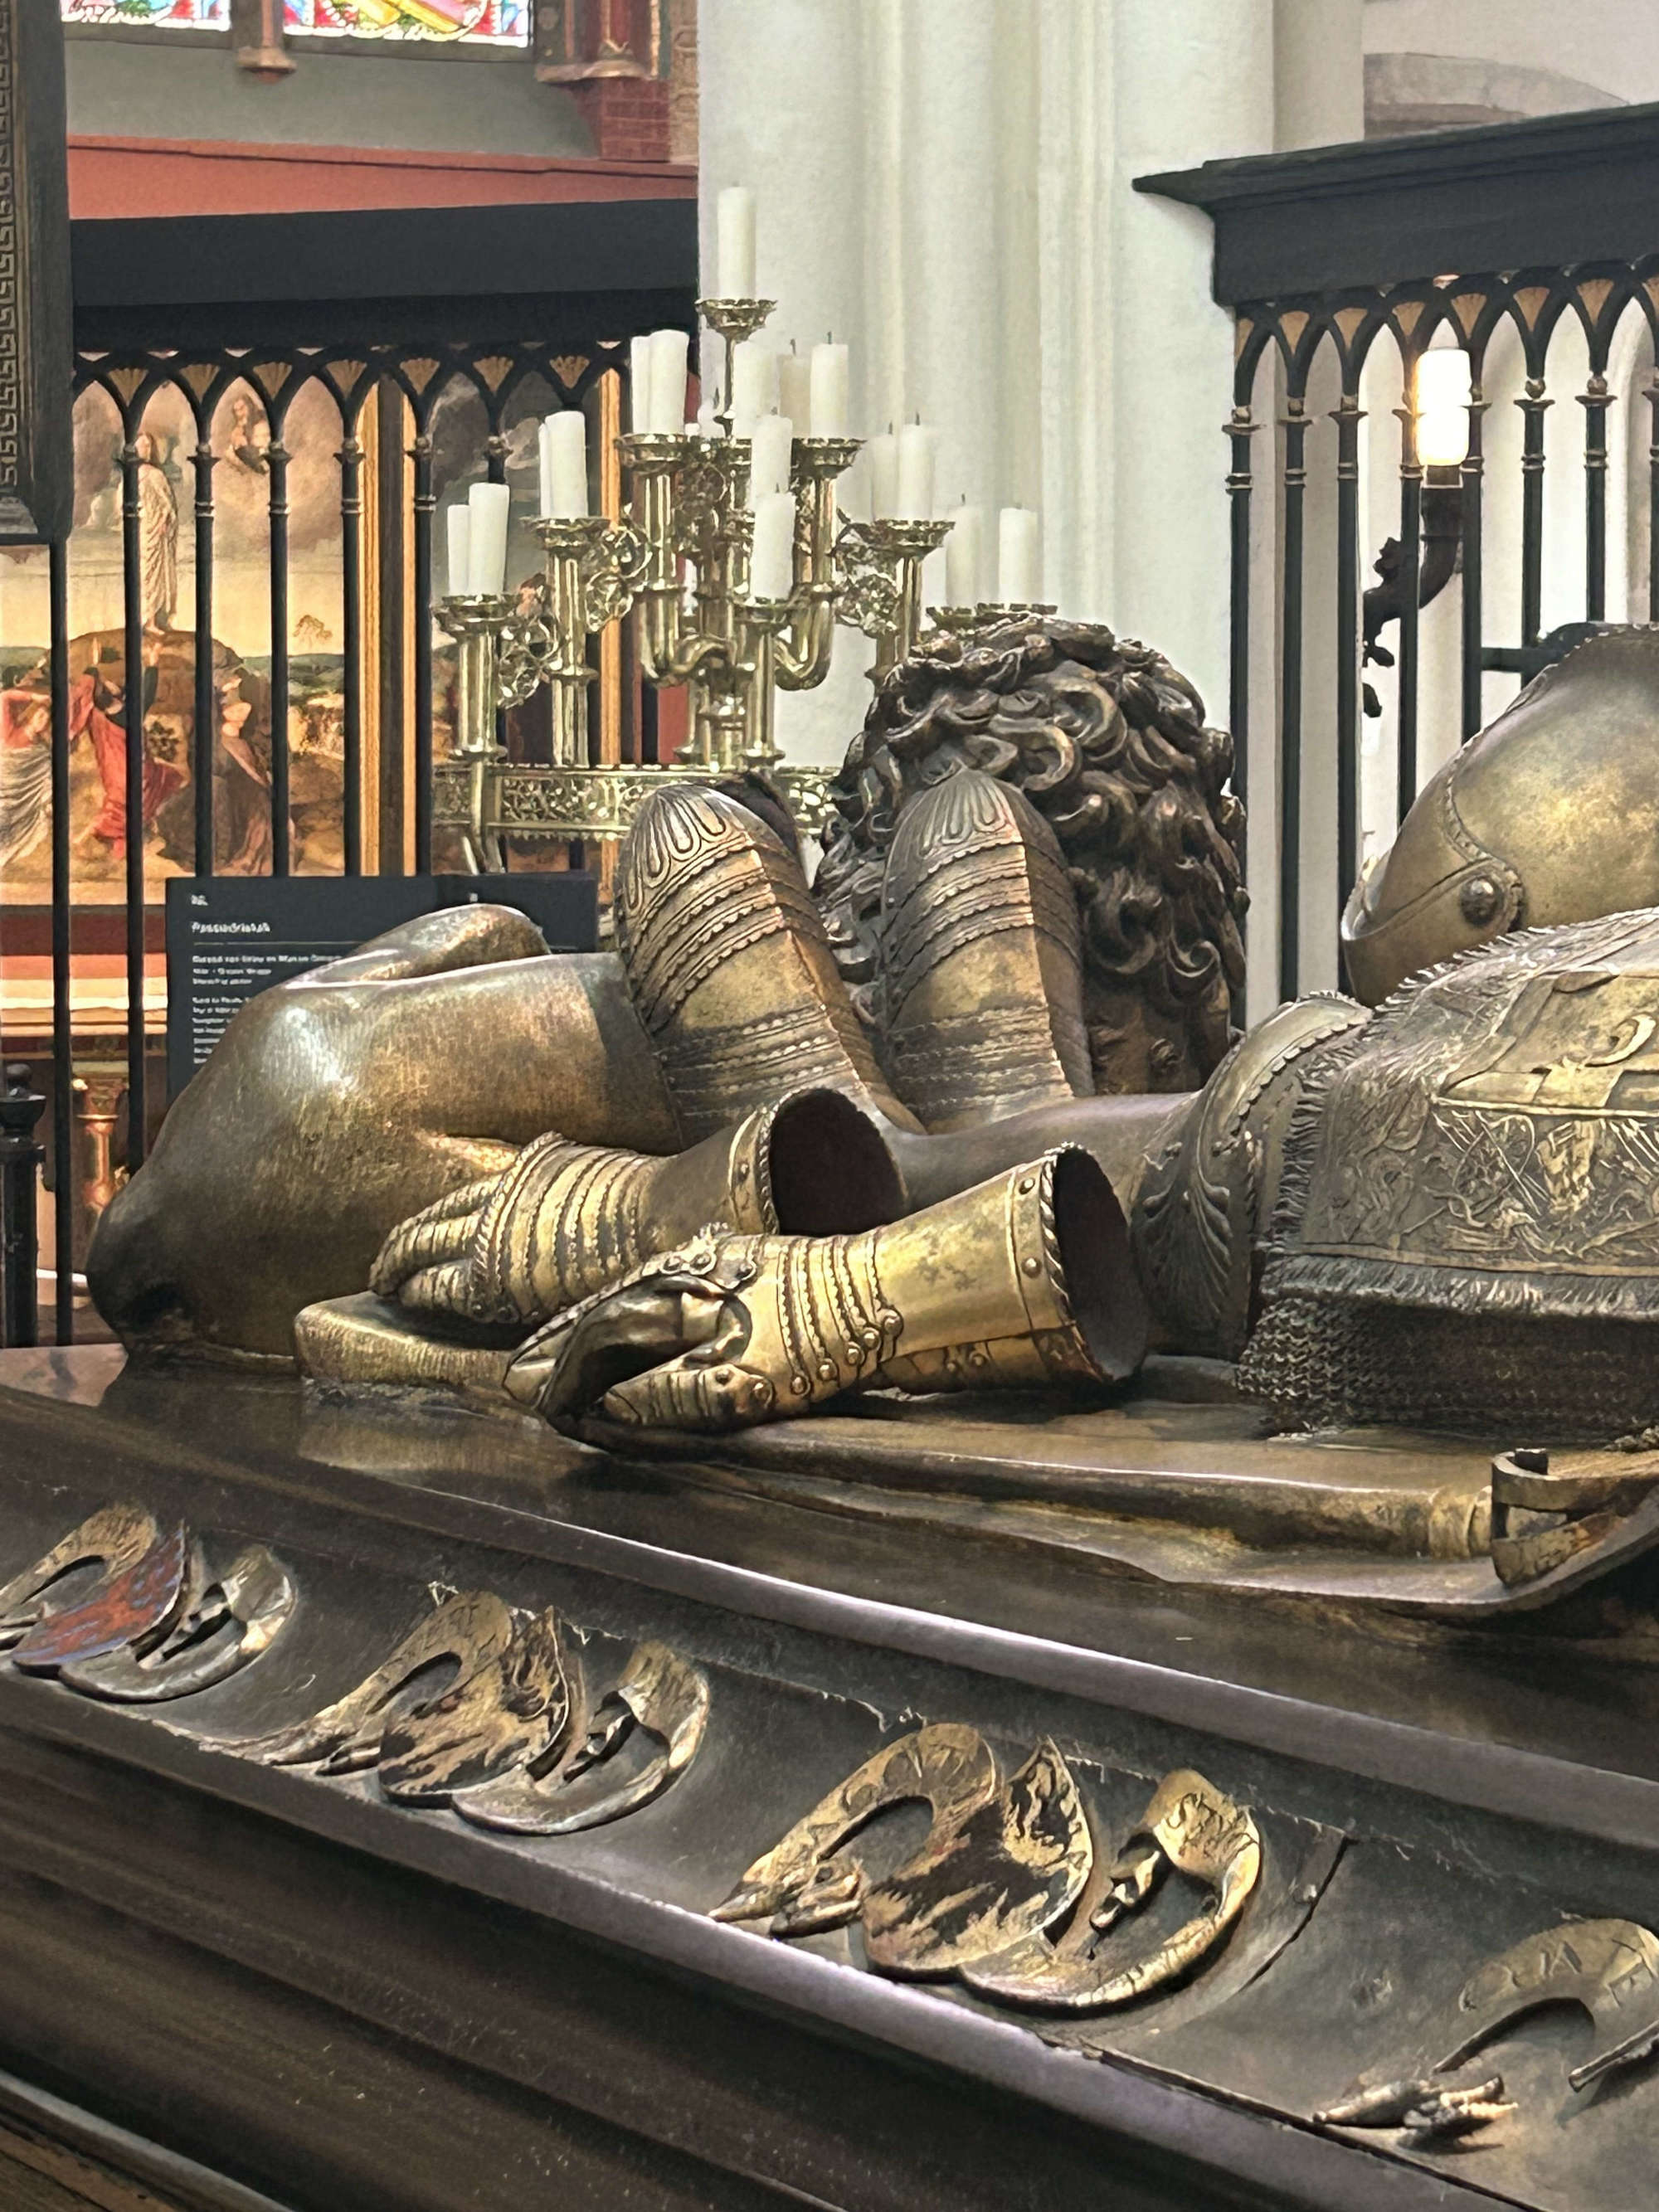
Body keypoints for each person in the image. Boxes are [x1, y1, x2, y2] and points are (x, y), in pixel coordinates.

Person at [73, 630, 182, 861]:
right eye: (111, 687)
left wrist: (94, 666)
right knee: (136, 802)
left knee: (128, 806)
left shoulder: (98, 715)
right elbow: (145, 696)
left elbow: (93, 690)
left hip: (117, 774)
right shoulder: (126, 715)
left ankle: (110, 843)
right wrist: (152, 664)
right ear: (112, 697)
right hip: (133, 775)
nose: (115, 685)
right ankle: (83, 839)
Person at [0, 684, 52, 873]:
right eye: (39, 715)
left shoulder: (40, 751)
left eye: (46, 718)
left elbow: (47, 775)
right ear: (30, 716)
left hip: (22, 800)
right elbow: (4, 697)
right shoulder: (9, 731)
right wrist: (34, 697)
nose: (43, 721)